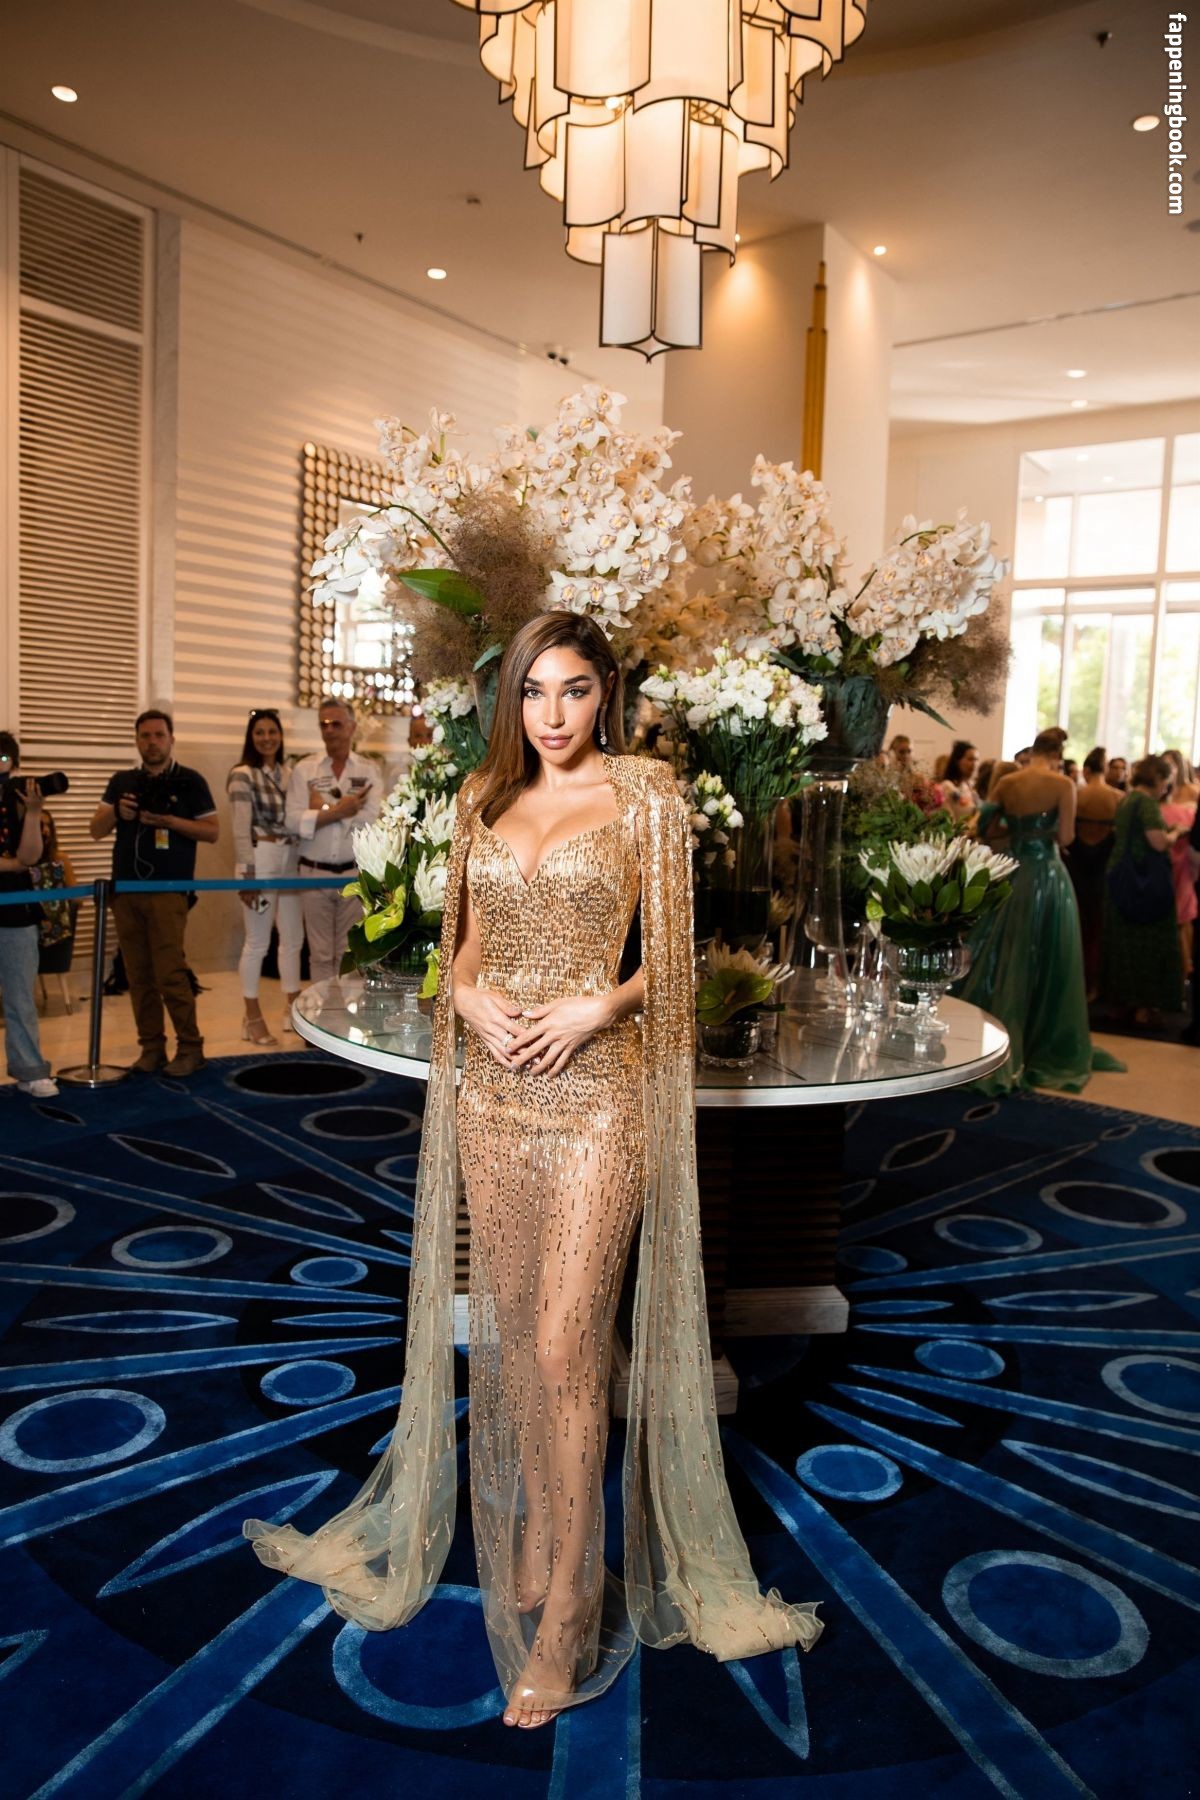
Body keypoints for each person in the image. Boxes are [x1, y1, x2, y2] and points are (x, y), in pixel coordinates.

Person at [245, 612, 822, 1729]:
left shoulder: (648, 795)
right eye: (532, 693)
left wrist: (599, 1005)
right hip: (496, 1097)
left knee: (565, 1341)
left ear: (608, 691)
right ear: (509, 699)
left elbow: (675, 960)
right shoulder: (480, 795)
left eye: (574, 691)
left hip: (601, 1095)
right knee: (517, 1333)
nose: (553, 715)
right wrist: (466, 998)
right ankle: (548, 1537)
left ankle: (570, 1602)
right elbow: (462, 947)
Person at [955, 730, 1123, 1093]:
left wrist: (1017, 830)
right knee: (1049, 954)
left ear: (1033, 750)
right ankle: (1038, 1042)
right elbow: (1067, 838)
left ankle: (989, 1041)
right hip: (1047, 876)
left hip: (1013, 873)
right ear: (1058, 754)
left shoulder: (1008, 782)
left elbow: (985, 826)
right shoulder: (1063, 784)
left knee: (1006, 951)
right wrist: (1043, 831)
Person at [91, 710, 219, 1076]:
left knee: (170, 973)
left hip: (168, 891)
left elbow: (212, 832)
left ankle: (190, 1047)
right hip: (125, 892)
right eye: (145, 736)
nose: (152, 742)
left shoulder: (190, 781)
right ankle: (151, 1048)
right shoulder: (122, 782)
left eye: (159, 735)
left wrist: (168, 821)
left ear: (171, 739)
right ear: (136, 741)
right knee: (138, 976)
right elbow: (95, 829)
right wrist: (118, 812)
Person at [286, 698, 382, 983]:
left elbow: (372, 821)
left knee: (347, 952)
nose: (329, 730)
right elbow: (293, 820)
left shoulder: (368, 770)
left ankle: (343, 1010)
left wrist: (320, 811)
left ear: (351, 727)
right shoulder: (305, 769)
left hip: (352, 874)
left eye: (336, 724)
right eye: (324, 725)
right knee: (319, 954)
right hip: (313, 874)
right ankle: (320, 1007)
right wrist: (340, 810)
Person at [227, 709, 302, 1045]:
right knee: (257, 942)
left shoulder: (290, 773)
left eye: (272, 731)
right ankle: (252, 1016)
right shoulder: (242, 774)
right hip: (260, 856)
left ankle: (292, 1009)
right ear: (250, 737)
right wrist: (247, 874)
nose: (267, 738)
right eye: (259, 732)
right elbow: (240, 827)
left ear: (280, 736)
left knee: (293, 938)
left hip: (290, 856)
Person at [1098, 755, 1185, 1026]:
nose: (1166, 788)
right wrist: (1176, 832)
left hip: (1119, 875)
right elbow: (1158, 842)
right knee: (1148, 943)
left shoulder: (1126, 799)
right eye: (1166, 782)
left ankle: (1121, 1001)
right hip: (1142, 881)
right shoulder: (1147, 803)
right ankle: (1144, 1005)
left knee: (1120, 942)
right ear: (1157, 778)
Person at [0, 732, 57, 1097]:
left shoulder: (17, 802)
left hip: (16, 907)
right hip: (14, 893)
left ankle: (30, 1070)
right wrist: (12, 864)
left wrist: (34, 812)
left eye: (3, 761)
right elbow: (17, 862)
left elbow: (30, 857)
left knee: (20, 996)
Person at [1067, 746, 1123, 997]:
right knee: (1097, 927)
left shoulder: (1077, 794)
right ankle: (1093, 984)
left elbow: (1066, 833)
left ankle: (1075, 981)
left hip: (1078, 862)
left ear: (1087, 770)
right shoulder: (1117, 797)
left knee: (1077, 924)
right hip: (1103, 864)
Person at [1158, 751, 1198, 982]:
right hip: (1164, 857)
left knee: (1183, 917)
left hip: (1186, 859)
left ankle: (1185, 972)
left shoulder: (1193, 791)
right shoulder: (1161, 793)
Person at [941, 740, 980, 816]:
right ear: (957, 761)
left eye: (976, 760)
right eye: (970, 759)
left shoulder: (971, 785)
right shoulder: (947, 786)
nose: (974, 764)